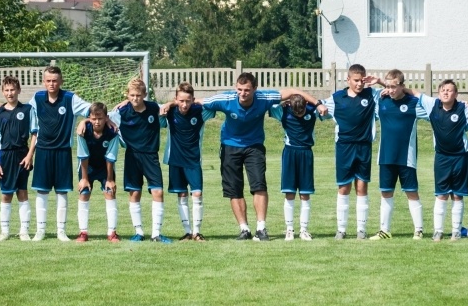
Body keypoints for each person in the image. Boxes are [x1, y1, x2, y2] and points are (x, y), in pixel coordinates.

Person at [201, 73, 321, 241]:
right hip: (229, 146)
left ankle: (261, 228)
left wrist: (318, 103)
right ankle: (244, 229)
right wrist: (171, 104)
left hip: (254, 146)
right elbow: (197, 101)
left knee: (259, 185)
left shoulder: (264, 97)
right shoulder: (225, 98)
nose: (242, 93)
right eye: (239, 89)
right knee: (234, 189)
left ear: (255, 89)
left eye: (247, 90)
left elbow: (293, 91)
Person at [28, 65, 91, 241]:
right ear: (43, 82)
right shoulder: (37, 98)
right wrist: (0, 107)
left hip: (63, 152)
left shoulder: (70, 98)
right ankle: (40, 230)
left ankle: (61, 231)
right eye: (48, 80)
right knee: (42, 192)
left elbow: (92, 110)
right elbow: (22, 111)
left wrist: (85, 120)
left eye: (55, 81)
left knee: (62, 192)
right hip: (42, 151)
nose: (52, 84)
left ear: (61, 81)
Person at [318, 64, 379, 240]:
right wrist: (319, 106)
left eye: (362, 81)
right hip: (344, 147)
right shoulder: (337, 98)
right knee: (344, 187)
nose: (359, 84)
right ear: (348, 80)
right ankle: (341, 229)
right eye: (356, 80)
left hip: (364, 147)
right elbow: (319, 105)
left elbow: (393, 90)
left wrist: (379, 81)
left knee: (362, 186)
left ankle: (361, 229)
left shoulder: (371, 94)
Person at [367, 69, 428, 240]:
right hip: (386, 156)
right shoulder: (381, 100)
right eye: (388, 87)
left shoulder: (414, 103)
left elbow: (435, 106)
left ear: (402, 86)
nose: (390, 90)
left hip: (406, 157)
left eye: (394, 87)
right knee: (386, 192)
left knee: (412, 192)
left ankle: (419, 230)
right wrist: (381, 83)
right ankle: (384, 230)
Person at [109, 78, 169, 242]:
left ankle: (156, 234)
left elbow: (169, 106)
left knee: (158, 192)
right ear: (127, 95)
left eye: (138, 95)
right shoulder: (121, 111)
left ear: (144, 95)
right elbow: (100, 116)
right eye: (132, 95)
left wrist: (170, 104)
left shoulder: (153, 108)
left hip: (151, 156)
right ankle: (139, 232)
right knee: (134, 192)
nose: (135, 98)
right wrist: (86, 122)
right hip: (132, 156)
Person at [414, 80, 468, 241]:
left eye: (449, 90)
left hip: (461, 157)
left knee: (457, 195)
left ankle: (456, 231)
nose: (446, 93)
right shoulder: (432, 105)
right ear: (439, 93)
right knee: (441, 195)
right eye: (443, 90)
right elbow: (412, 92)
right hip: (442, 157)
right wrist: (384, 84)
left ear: (456, 94)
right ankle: (438, 231)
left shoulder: (464, 109)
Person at [160, 82, 214, 241]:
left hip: (193, 160)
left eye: (188, 101)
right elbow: (156, 114)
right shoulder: (170, 112)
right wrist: (169, 104)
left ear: (193, 100)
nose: (184, 105)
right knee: (182, 194)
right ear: (176, 99)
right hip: (175, 160)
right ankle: (188, 232)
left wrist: (198, 102)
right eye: (181, 101)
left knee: (197, 193)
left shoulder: (199, 112)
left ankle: (197, 232)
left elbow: (213, 107)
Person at [0, 75, 38, 241]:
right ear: (3, 92)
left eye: (13, 90)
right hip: (5, 155)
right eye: (7, 90)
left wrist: (30, 155)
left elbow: (34, 134)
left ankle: (24, 231)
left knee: (22, 191)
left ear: (19, 90)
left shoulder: (28, 110)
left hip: (22, 155)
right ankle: (4, 231)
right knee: (6, 194)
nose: (10, 93)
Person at [269, 94, 318, 241]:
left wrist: (319, 104)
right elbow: (269, 107)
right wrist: (281, 103)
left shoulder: (312, 110)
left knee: (305, 193)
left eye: (301, 111)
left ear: (305, 105)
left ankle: (304, 230)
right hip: (290, 153)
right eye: (296, 112)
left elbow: (326, 109)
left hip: (306, 153)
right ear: (290, 106)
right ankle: (289, 229)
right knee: (289, 192)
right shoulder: (283, 111)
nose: (299, 114)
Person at [75, 102, 120, 242]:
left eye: (100, 118)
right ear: (89, 118)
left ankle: (112, 232)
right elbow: (83, 155)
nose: (97, 122)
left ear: (106, 118)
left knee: (110, 192)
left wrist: (110, 179)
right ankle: (83, 232)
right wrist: (84, 178)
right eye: (93, 118)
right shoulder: (83, 131)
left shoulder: (112, 132)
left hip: (105, 167)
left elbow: (110, 157)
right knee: (84, 193)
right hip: (87, 167)